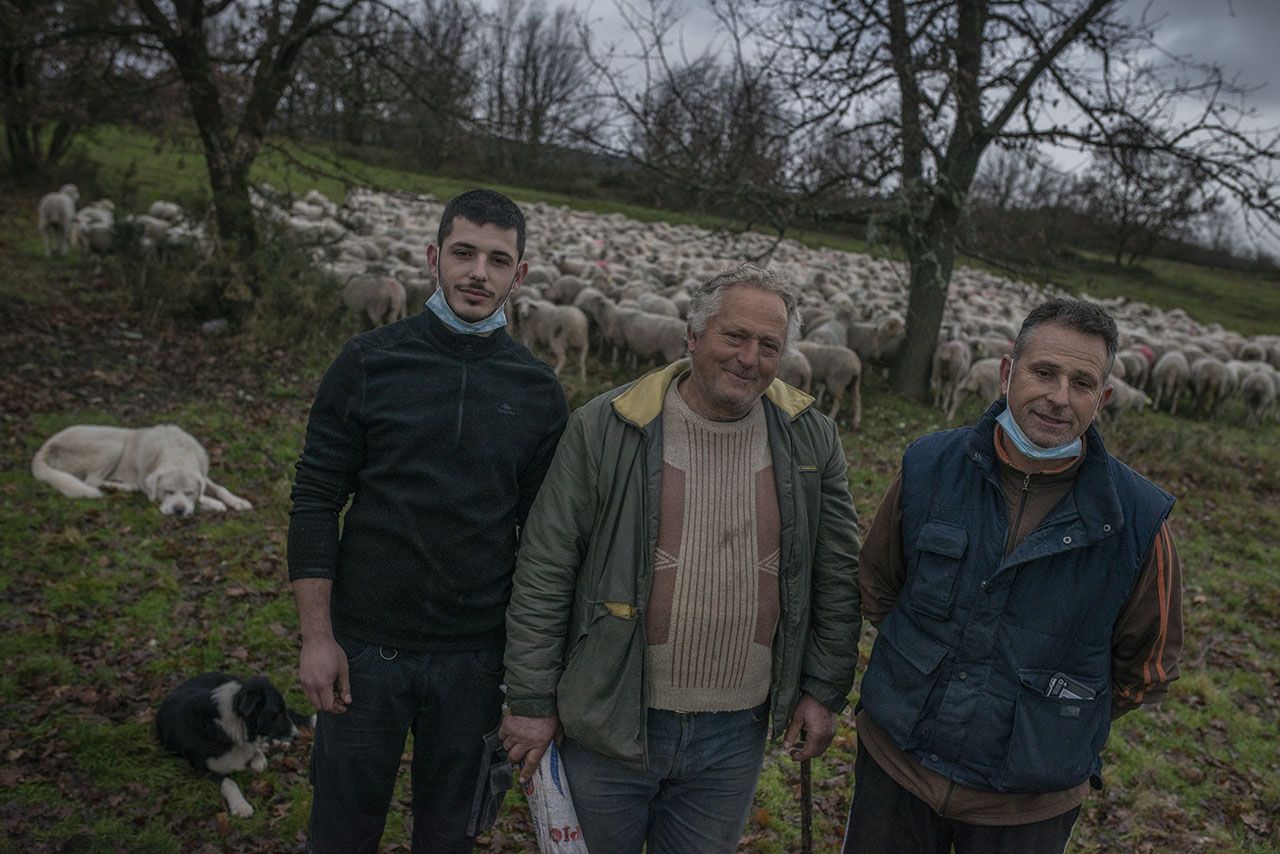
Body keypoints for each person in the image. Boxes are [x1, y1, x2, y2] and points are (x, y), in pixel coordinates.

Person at [500, 264, 862, 854]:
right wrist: (533, 702)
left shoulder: (809, 438)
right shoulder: (607, 426)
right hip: (611, 716)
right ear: (693, 336)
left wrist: (823, 691)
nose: (750, 358)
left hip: (734, 733)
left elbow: (836, 577)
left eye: (769, 345)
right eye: (734, 336)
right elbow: (545, 568)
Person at [843, 298, 1183, 854]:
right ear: (1007, 373)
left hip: (1024, 806)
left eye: (1081, 383)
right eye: (1043, 372)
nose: (1057, 397)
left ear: (1103, 399)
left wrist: (1055, 713)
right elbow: (879, 585)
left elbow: (1146, 667)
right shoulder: (930, 467)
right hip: (897, 768)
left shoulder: (1138, 521)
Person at [287, 189, 569, 853]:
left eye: (498, 260)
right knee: (340, 832)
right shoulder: (367, 363)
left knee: (449, 836)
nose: (479, 273)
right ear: (433, 257)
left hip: (474, 658)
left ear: (519, 275)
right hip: (365, 650)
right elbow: (315, 501)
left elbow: (547, 542)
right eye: (464, 253)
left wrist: (532, 679)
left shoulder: (538, 391)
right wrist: (316, 637)